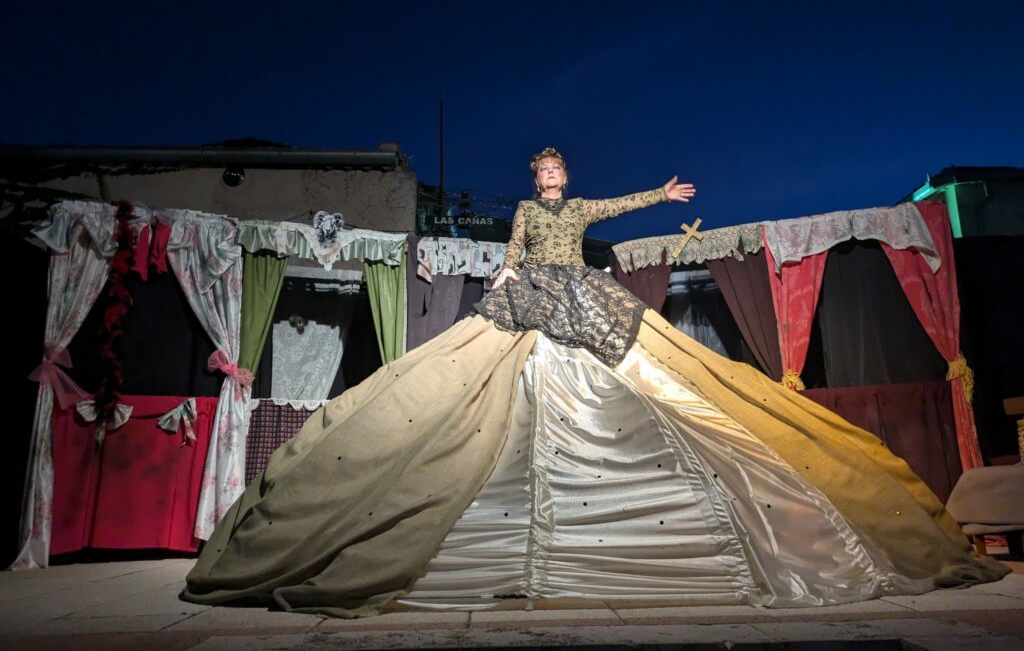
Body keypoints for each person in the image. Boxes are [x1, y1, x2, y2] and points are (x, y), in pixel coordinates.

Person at [182, 147, 1006, 618]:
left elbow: (617, 206)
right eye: (543, 171)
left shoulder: (576, 211)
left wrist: (664, 194)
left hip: (582, 295)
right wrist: (505, 285)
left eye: (557, 170)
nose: (550, 178)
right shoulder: (523, 212)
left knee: (662, 382)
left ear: (563, 178)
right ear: (533, 178)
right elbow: (513, 256)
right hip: (530, 295)